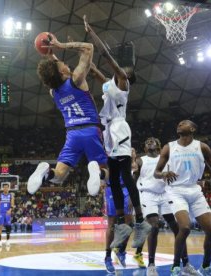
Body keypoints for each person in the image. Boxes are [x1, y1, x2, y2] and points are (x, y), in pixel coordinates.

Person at [83, 15, 151, 251]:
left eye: (126, 69)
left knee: (124, 175)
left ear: (128, 75)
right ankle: (122, 223)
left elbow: (107, 56)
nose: (123, 69)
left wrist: (91, 34)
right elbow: (98, 75)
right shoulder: (112, 83)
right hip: (110, 131)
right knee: (113, 179)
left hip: (120, 128)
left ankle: (140, 220)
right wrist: (87, 62)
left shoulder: (123, 81)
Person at [29, 33, 108, 197]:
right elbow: (89, 48)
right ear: (63, 72)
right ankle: (97, 173)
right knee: (109, 173)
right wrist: (60, 44)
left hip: (72, 134)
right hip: (91, 130)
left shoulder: (54, 92)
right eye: (63, 64)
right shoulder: (77, 80)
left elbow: (55, 70)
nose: (64, 63)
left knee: (58, 176)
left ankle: (45, 172)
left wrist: (50, 54)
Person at [153, 120, 211, 276]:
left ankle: (205, 268)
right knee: (185, 227)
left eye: (184, 123)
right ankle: (176, 267)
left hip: (195, 190)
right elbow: (156, 172)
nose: (179, 124)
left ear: (193, 128)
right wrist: (163, 174)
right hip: (175, 191)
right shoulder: (169, 147)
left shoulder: (202, 147)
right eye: (178, 123)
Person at [134, 138, 198, 276]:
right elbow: (133, 180)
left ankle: (186, 263)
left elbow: (175, 176)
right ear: (145, 148)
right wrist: (132, 199)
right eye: (147, 141)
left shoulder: (167, 159)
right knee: (154, 227)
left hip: (165, 194)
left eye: (154, 140)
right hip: (148, 195)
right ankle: (151, 265)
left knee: (178, 228)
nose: (150, 141)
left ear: (160, 146)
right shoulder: (140, 160)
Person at [103, 176, 145, 273]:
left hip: (126, 189)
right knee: (112, 224)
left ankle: (121, 250)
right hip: (111, 189)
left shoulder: (129, 161)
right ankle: (108, 257)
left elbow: (132, 175)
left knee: (130, 224)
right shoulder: (107, 160)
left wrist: (131, 194)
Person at [0, 183, 15, 250]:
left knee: (8, 227)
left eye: (7, 187)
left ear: (8, 188)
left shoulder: (11, 195)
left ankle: (7, 241)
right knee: (0, 227)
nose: (6, 188)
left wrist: (10, 210)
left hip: (7, 213)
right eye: (4, 187)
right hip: (1, 213)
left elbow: (12, 205)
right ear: (3, 188)